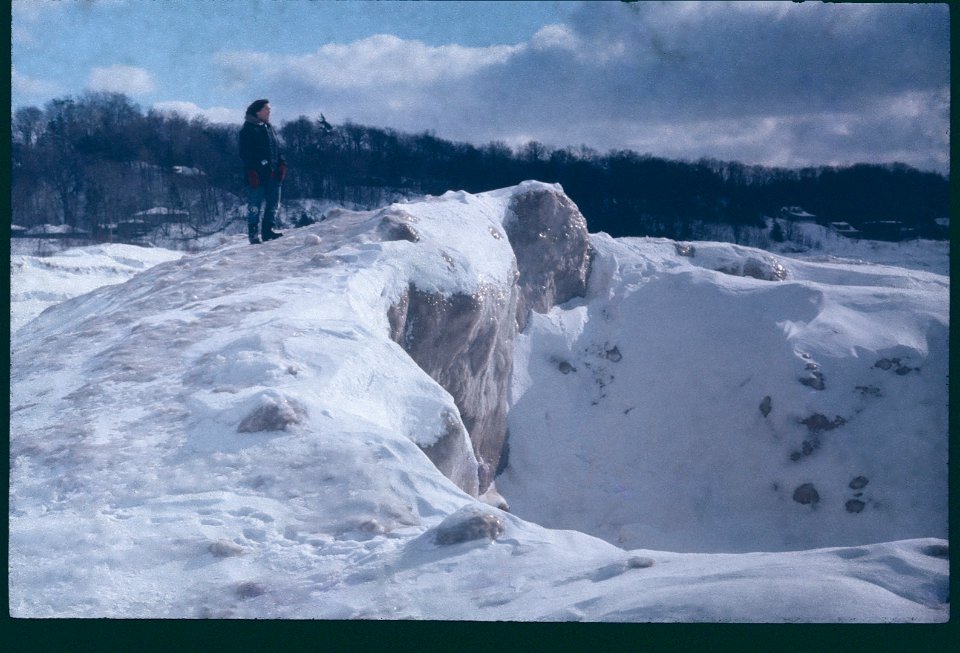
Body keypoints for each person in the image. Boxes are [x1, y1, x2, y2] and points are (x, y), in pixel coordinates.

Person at [239, 99, 286, 244]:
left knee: (273, 203)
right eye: (266, 109)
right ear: (257, 111)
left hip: (273, 173)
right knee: (255, 204)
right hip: (257, 175)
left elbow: (276, 148)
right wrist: (252, 171)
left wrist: (282, 162)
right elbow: (245, 153)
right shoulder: (248, 129)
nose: (269, 111)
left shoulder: (269, 128)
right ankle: (253, 234)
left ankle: (268, 231)